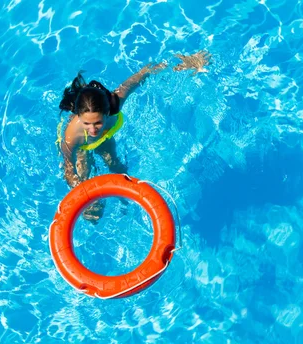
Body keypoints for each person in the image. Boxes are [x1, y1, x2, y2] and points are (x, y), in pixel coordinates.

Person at [56, 50, 211, 223]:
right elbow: (68, 170)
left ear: (107, 113)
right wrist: (83, 193)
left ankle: (126, 202)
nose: (93, 130)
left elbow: (143, 74)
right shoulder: (72, 135)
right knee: (85, 178)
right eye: (87, 124)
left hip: (106, 139)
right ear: (78, 117)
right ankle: (93, 214)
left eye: (98, 123)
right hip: (83, 146)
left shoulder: (116, 102)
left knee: (117, 167)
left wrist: (188, 63)